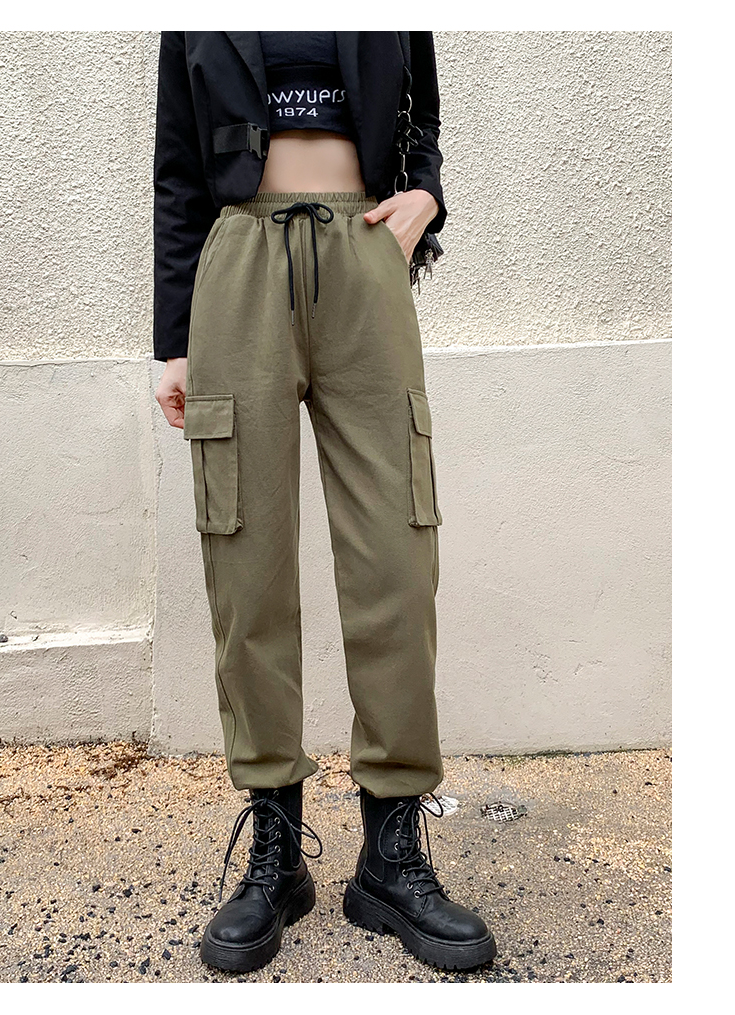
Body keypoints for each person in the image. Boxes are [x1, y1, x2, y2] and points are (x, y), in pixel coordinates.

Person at [153, 30, 496, 975]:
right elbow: (177, 167)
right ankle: (276, 849)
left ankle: (390, 853)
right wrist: (173, 339)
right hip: (238, 260)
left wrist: (426, 193)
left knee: (397, 550)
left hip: (365, 252)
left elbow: (420, 112)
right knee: (247, 560)